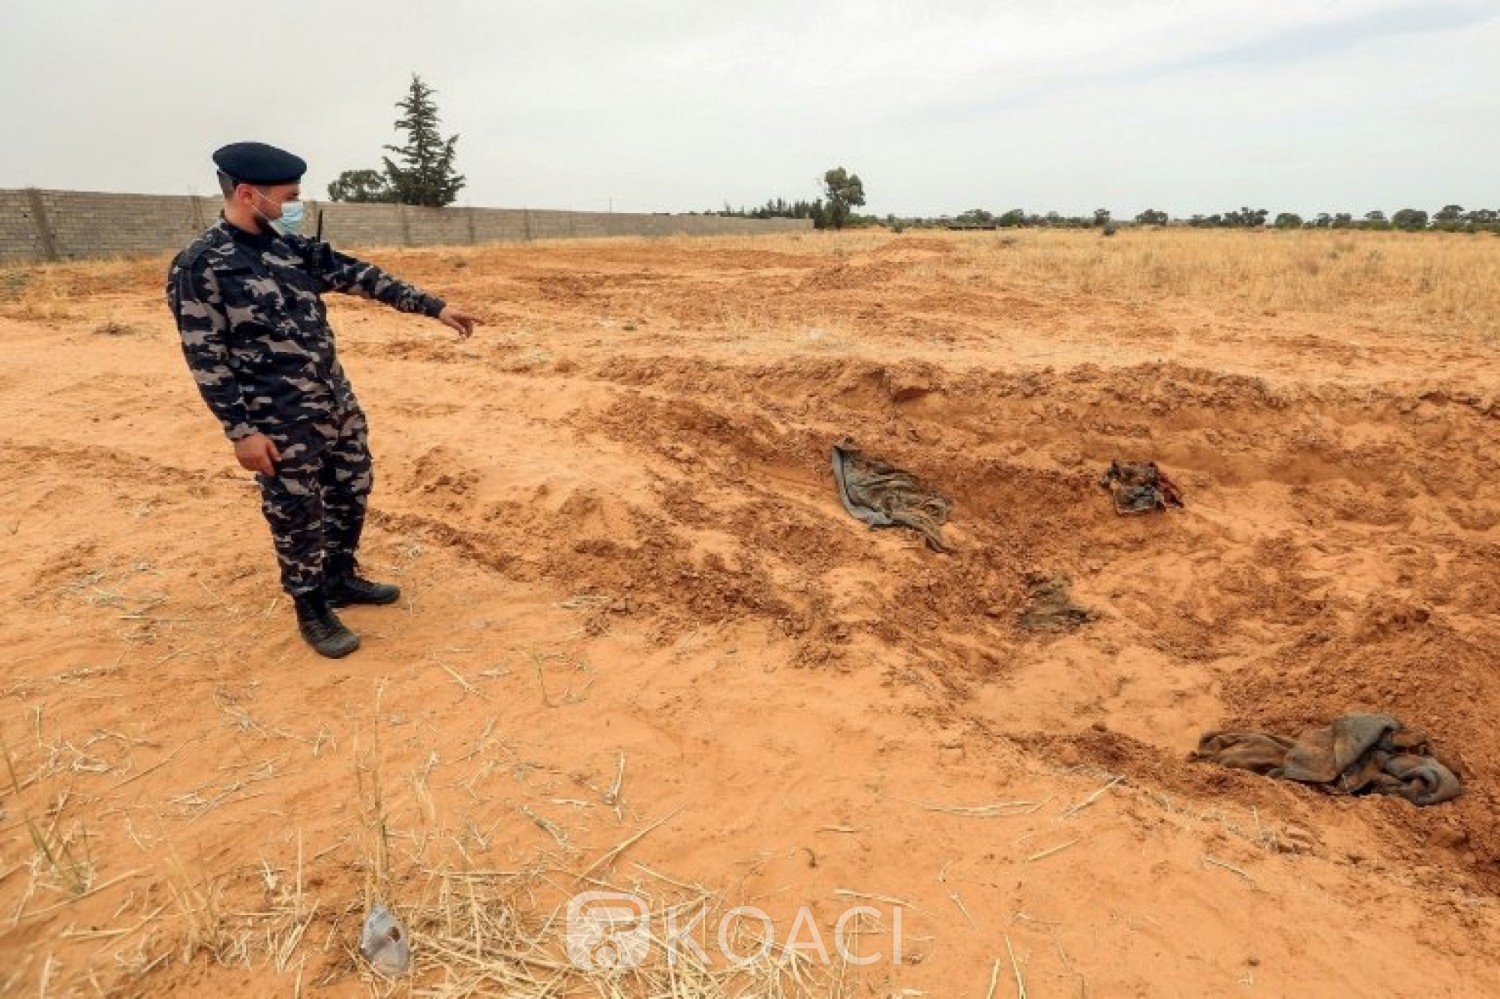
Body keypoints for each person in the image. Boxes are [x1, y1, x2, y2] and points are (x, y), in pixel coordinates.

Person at [166, 141, 480, 658]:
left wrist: (434, 308)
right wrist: (241, 432)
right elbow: (206, 358)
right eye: (289, 196)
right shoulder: (201, 267)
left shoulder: (289, 247)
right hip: (276, 420)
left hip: (334, 403)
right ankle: (310, 606)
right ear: (248, 194)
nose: (296, 206)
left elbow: (361, 276)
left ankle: (339, 575)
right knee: (296, 510)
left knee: (351, 488)